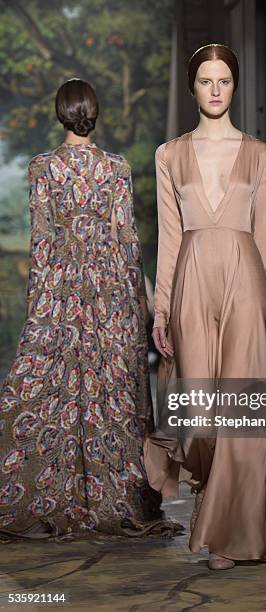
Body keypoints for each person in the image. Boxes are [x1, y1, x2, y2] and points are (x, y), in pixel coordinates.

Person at [0, 78, 182, 541]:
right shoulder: (115, 169)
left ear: (60, 114)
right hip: (109, 297)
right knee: (113, 398)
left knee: (53, 393)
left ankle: (54, 497)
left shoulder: (44, 169)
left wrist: (39, 307)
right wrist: (141, 306)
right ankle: (113, 499)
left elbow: (42, 243)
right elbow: (127, 242)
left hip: (60, 295)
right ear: (94, 113)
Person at [143, 44, 266, 569]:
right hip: (190, 283)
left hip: (247, 284)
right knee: (200, 411)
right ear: (192, 87)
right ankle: (211, 495)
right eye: (206, 80)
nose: (215, 89)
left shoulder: (262, 155)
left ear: (235, 85)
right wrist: (160, 310)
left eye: (224, 80)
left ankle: (233, 532)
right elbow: (168, 236)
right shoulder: (169, 155)